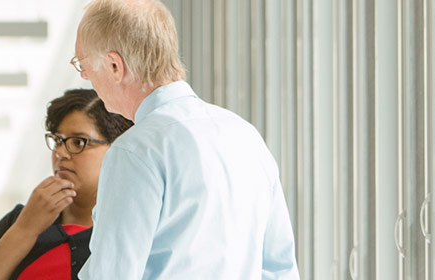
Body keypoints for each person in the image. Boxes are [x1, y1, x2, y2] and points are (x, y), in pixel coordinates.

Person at [72, 0, 300, 279]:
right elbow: (279, 270)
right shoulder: (246, 136)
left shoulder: (135, 152)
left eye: (82, 64)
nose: (84, 76)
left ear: (115, 65)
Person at [0, 89, 133, 280]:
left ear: (117, 149)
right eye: (58, 140)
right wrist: (25, 229)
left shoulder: (131, 230)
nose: (60, 153)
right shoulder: (19, 220)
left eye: (78, 142)